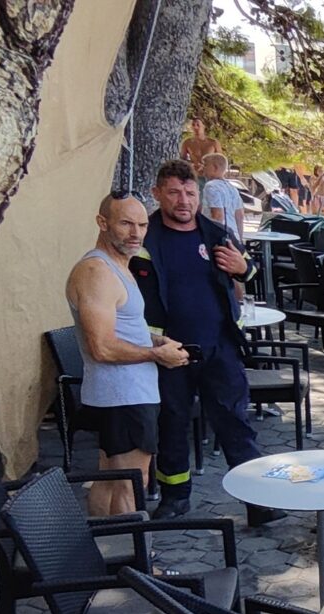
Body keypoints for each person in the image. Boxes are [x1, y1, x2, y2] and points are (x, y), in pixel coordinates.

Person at [133, 160, 282, 525]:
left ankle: (257, 500)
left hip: (219, 347)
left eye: (190, 193)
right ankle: (175, 497)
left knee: (235, 423)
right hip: (168, 350)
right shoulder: (145, 239)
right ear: (157, 194)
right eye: (174, 193)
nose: (183, 201)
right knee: (172, 424)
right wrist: (152, 345)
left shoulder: (215, 233)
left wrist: (242, 269)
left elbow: (252, 270)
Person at [64, 193, 189, 516]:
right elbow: (102, 347)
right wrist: (156, 355)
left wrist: (155, 340)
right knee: (132, 483)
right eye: (126, 223)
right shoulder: (97, 272)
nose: (136, 233)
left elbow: (120, 326)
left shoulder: (118, 266)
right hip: (123, 396)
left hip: (126, 393)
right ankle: (134, 548)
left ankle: (102, 544)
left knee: (109, 479)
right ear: (102, 223)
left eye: (142, 225)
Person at [199, 153, 244, 242]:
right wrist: (240, 240)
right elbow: (240, 216)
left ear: (215, 167)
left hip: (218, 237)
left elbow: (217, 215)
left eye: (205, 165)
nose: (202, 168)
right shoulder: (232, 188)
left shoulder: (211, 186)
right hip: (233, 236)